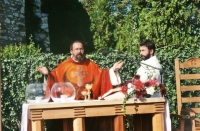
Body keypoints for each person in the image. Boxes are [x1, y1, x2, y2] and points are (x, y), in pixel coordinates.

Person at [37, 40, 124, 131]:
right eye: (76, 49)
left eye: (81, 49)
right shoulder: (63, 66)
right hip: (69, 108)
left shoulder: (91, 65)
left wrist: (112, 70)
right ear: (71, 51)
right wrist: (47, 74)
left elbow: (102, 76)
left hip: (88, 109)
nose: (79, 51)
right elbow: (54, 79)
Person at [132, 39, 171, 131]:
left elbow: (148, 83)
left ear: (151, 51)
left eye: (143, 50)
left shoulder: (155, 66)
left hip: (154, 101)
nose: (140, 53)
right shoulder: (144, 64)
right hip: (143, 99)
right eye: (140, 51)